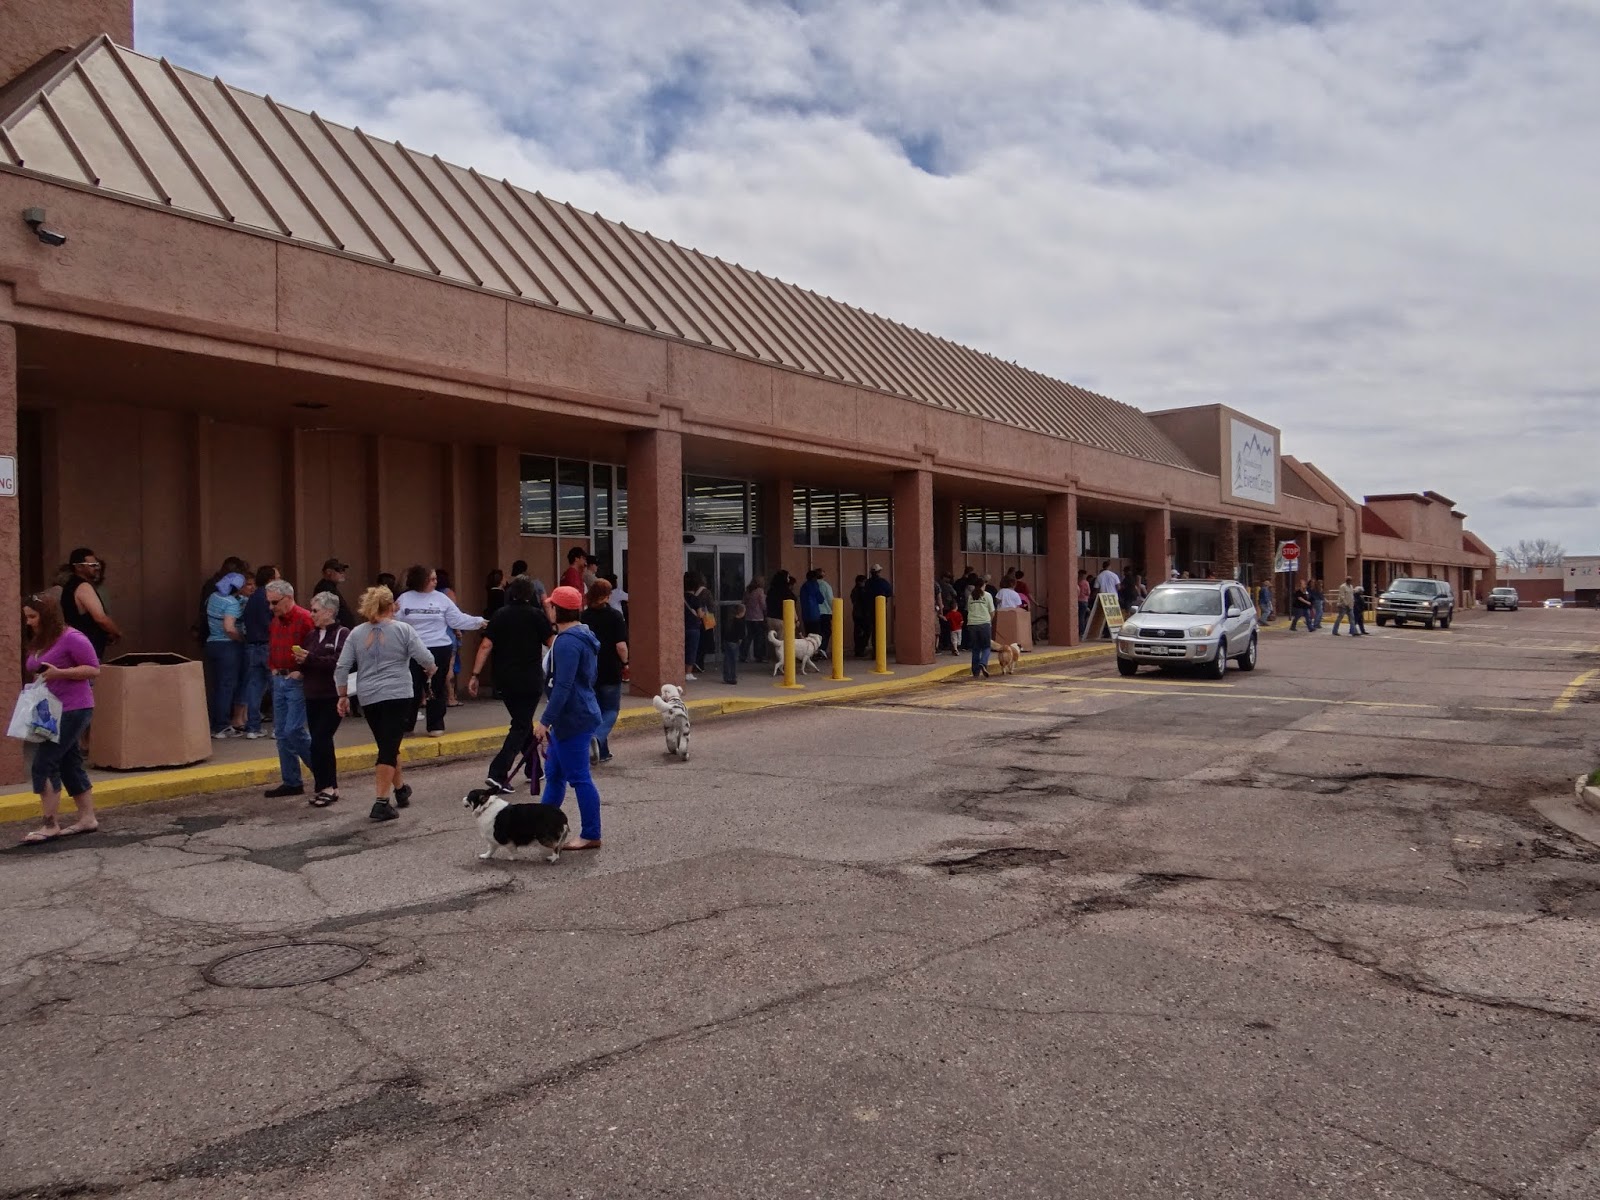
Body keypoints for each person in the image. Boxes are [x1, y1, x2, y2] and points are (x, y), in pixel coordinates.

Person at [336, 586, 436, 821]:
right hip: (397, 694)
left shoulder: (357, 633)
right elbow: (426, 658)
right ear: (392, 606)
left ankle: (400, 790)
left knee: (388, 744)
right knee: (389, 748)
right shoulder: (403, 629)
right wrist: (431, 669)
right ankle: (381, 802)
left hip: (369, 696)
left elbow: (342, 666)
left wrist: (342, 695)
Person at [18, 592, 101, 844]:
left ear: (48, 616)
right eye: (27, 617)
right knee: (69, 762)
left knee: (44, 763)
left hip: (73, 708)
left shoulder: (72, 638)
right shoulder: (42, 640)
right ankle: (87, 818)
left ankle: (50, 824)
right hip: (50, 710)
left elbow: (93, 669)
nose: (29, 622)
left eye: (33, 617)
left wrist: (60, 673)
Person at [471, 574, 555, 790]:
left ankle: (534, 769)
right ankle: (498, 773)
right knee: (520, 725)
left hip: (505, 680)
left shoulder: (500, 615)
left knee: (522, 722)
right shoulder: (536, 615)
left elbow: (485, 645)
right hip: (530, 680)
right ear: (531, 594)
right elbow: (552, 643)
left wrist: (475, 674)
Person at [537, 585, 603, 850]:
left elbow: (562, 685)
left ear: (558, 610)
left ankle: (591, 833)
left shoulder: (566, 642)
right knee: (554, 773)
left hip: (573, 717)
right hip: (578, 712)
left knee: (578, 777)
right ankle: (542, 827)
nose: (549, 610)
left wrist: (545, 720)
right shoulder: (583, 635)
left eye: (551, 606)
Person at [395, 564, 487, 736]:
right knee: (411, 686)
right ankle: (407, 724)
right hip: (413, 649)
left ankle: (435, 724)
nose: (435, 582)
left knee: (436, 687)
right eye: (431, 579)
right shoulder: (404, 599)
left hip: (439, 647)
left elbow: (456, 619)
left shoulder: (441, 599)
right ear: (420, 580)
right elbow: (394, 622)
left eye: (435, 578)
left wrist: (478, 622)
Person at [262, 580, 315, 799]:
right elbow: (273, 646)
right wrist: (273, 667)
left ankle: (322, 771)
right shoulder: (276, 621)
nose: (271, 607)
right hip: (280, 678)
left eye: (275, 602)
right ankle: (292, 781)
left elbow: (314, 649)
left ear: (289, 598)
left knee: (293, 729)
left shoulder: (305, 619)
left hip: (295, 680)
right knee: (282, 733)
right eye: (270, 602)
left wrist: (302, 671)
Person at [296, 592, 349, 806]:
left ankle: (326, 786)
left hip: (332, 695)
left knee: (320, 740)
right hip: (312, 694)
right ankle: (327, 786)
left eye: (315, 610)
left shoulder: (342, 634)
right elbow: (309, 662)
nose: (312, 614)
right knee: (320, 742)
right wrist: (301, 662)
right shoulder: (311, 636)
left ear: (329, 611)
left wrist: (311, 659)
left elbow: (338, 662)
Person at [581, 579, 628, 762]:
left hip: (589, 669)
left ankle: (602, 751)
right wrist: (626, 663)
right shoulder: (615, 616)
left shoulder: (584, 617)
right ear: (607, 596)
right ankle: (597, 737)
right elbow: (620, 646)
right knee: (611, 710)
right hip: (610, 668)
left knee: (597, 710)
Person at [205, 571, 247, 738]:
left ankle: (215, 722)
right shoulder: (231, 603)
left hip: (212, 644)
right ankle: (221, 726)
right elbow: (229, 628)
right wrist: (241, 638)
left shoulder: (213, 597)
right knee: (226, 687)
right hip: (227, 647)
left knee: (217, 686)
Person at [59, 547, 120, 660]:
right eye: (92, 565)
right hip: (87, 647)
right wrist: (117, 632)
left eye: (97, 564)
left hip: (77, 645)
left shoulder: (70, 585)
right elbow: (100, 618)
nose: (97, 568)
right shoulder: (83, 587)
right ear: (78, 567)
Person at [240, 564, 278, 740]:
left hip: (252, 646)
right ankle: (278, 727)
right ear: (270, 579)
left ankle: (253, 727)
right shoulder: (269, 597)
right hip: (268, 645)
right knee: (276, 687)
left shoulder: (252, 597)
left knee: (254, 688)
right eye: (277, 578)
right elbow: (270, 622)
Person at [311, 558, 355, 628]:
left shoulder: (330, 586)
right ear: (329, 572)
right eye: (339, 570)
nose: (342, 573)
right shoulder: (325, 588)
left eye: (343, 570)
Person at [966, 578, 996, 679]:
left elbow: (969, 610)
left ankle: (975, 672)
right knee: (986, 647)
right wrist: (990, 621)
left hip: (972, 624)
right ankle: (983, 663)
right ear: (983, 585)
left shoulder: (971, 596)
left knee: (976, 648)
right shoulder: (987, 595)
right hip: (984, 623)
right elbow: (992, 611)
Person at [683, 571, 709, 682]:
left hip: (683, 626)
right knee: (692, 650)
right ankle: (688, 673)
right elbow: (700, 614)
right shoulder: (696, 599)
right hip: (693, 627)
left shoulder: (681, 597)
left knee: (683, 649)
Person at [742, 579, 767, 662]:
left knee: (749, 636)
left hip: (748, 617)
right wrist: (766, 611)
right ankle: (759, 656)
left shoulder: (748, 591)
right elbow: (763, 604)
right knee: (759, 637)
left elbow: (743, 602)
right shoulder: (760, 591)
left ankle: (743, 655)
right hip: (758, 617)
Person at [722, 602, 746, 684]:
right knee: (733, 661)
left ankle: (727, 676)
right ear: (741, 612)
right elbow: (741, 635)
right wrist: (740, 641)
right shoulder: (740, 622)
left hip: (727, 641)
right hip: (735, 642)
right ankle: (732, 677)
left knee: (727, 659)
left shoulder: (730, 620)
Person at [850, 573, 871, 657]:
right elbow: (864, 602)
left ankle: (859, 650)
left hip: (857, 614)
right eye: (864, 581)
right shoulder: (861, 591)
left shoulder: (855, 590)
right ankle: (860, 649)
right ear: (860, 582)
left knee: (859, 632)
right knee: (865, 632)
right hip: (862, 614)